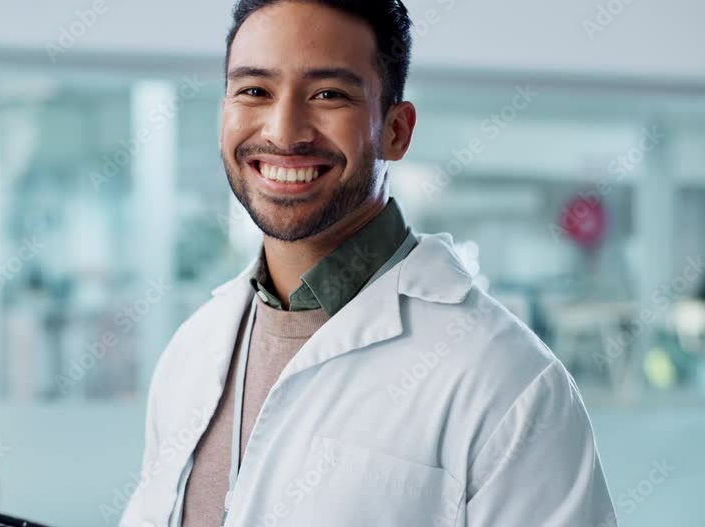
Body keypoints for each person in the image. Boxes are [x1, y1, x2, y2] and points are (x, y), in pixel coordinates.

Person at [120, 1, 616, 525]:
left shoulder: (509, 384)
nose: (284, 132)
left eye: (329, 94)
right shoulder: (191, 353)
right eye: (254, 91)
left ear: (396, 131)